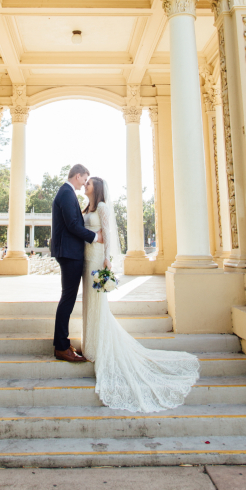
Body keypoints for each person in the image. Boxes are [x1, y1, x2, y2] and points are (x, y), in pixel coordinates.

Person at [82, 175, 201, 411]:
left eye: (88, 182)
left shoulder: (103, 207)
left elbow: (108, 236)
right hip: (86, 260)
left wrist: (107, 260)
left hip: (96, 259)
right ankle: (90, 344)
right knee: (88, 303)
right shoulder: (86, 207)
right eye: (84, 182)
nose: (85, 184)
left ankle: (97, 347)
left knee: (97, 303)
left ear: (97, 188)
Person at [49, 161, 98, 361]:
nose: (84, 184)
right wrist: (95, 238)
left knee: (67, 298)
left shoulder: (66, 193)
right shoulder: (67, 193)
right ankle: (61, 346)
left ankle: (62, 342)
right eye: (84, 179)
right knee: (68, 299)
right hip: (69, 253)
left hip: (69, 252)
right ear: (77, 176)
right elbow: (72, 225)